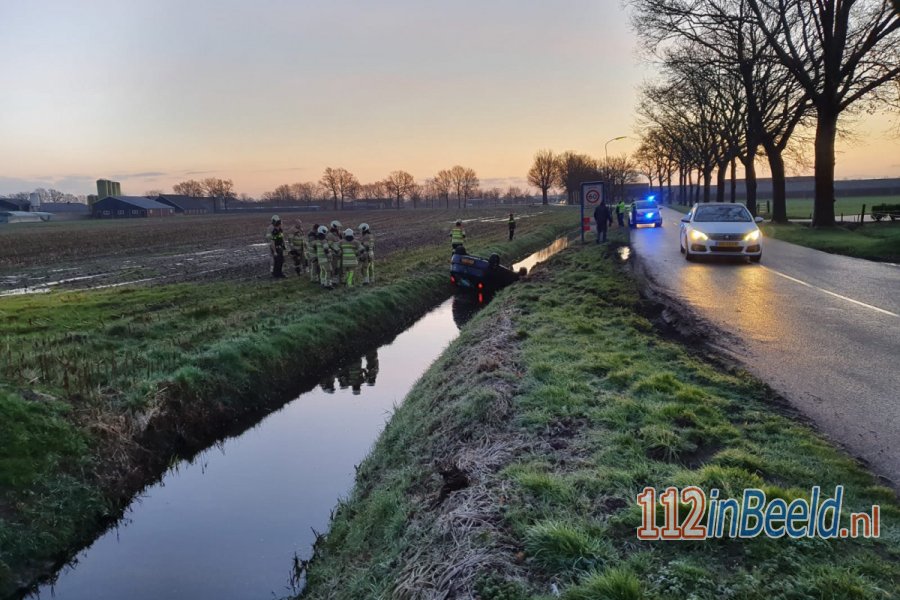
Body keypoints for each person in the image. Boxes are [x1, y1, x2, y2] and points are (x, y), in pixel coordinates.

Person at [327, 220, 343, 286]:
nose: (339, 228)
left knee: (339, 267)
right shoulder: (330, 235)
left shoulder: (338, 234)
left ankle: (338, 280)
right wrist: (336, 250)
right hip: (334, 255)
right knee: (334, 268)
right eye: (338, 227)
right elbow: (330, 245)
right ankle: (333, 282)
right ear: (334, 227)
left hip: (339, 254)